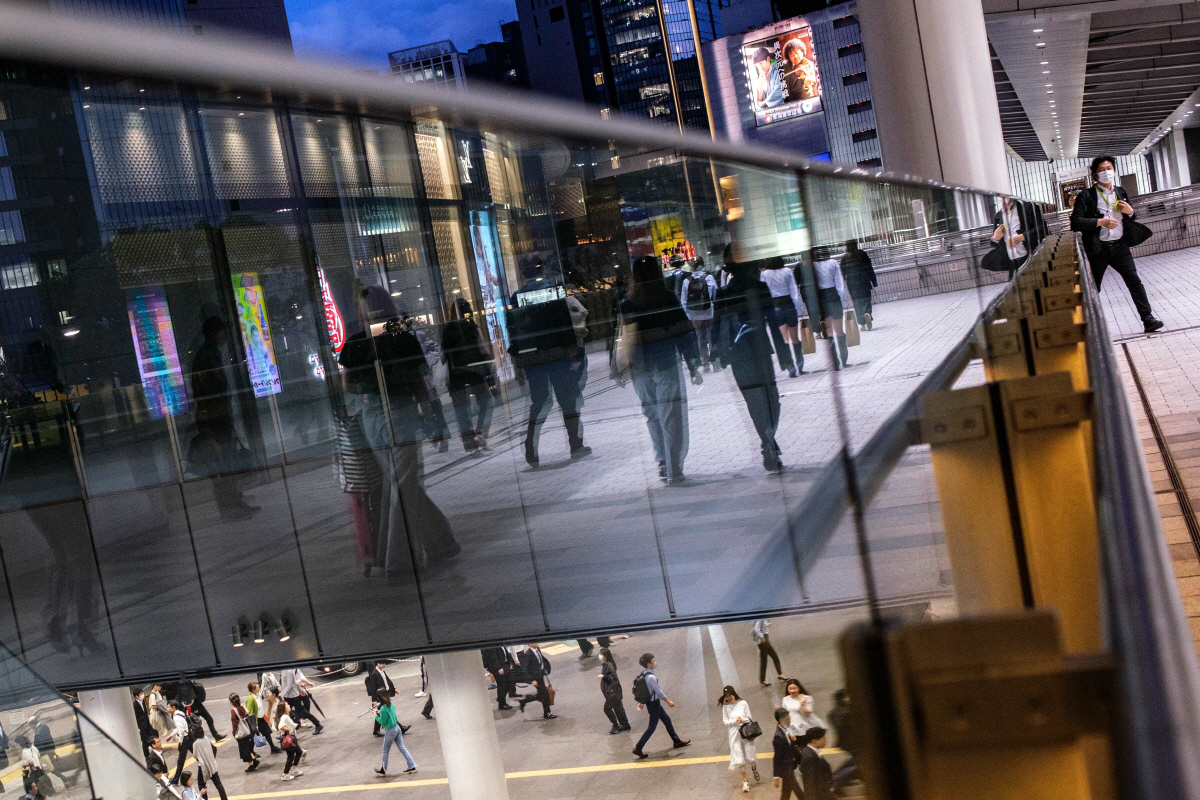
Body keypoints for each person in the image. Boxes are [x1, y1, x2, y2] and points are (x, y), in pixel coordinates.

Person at [339, 286, 460, 576]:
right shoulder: (403, 339)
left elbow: (347, 385)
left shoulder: (356, 343)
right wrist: (431, 417)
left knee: (401, 485)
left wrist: (370, 379)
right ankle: (398, 562)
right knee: (403, 488)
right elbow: (420, 383)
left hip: (371, 417)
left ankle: (440, 541)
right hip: (401, 413)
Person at [617, 255, 703, 485]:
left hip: (640, 368)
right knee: (670, 415)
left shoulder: (627, 302)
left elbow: (622, 338)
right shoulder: (666, 298)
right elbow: (684, 330)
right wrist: (692, 363)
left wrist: (620, 368)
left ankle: (662, 461)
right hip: (665, 364)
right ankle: (674, 464)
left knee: (652, 415)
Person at [1071, 155, 1163, 333]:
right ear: (1095, 175)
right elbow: (1076, 222)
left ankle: (1148, 319)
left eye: (1109, 168)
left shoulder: (1120, 191)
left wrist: (1131, 211)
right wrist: (1100, 222)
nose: (1106, 172)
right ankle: (1087, 326)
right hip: (1098, 249)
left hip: (1120, 246)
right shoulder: (1086, 196)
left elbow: (1130, 217)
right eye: (1102, 170)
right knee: (1092, 288)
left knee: (1134, 281)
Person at [712, 259, 784, 473]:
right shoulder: (732, 292)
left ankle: (767, 441)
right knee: (772, 400)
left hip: (741, 355)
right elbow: (772, 321)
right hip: (755, 351)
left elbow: (716, 326)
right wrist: (784, 354)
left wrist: (715, 354)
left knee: (756, 402)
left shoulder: (751, 289)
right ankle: (768, 441)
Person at [189, 316, 257, 520]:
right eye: (224, 330)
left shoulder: (210, 355)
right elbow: (207, 393)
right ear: (216, 333)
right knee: (223, 462)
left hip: (217, 417)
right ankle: (229, 506)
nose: (227, 334)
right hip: (214, 418)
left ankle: (234, 501)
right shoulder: (208, 357)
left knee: (227, 460)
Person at [441, 298, 496, 454]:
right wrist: (490, 368)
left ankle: (470, 445)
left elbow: (443, 357)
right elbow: (482, 349)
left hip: (456, 375)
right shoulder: (473, 327)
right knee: (486, 401)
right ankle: (480, 433)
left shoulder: (446, 330)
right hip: (475, 371)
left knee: (461, 409)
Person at [631, 652, 689, 758]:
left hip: (651, 703)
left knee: (667, 720)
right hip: (654, 704)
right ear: (649, 664)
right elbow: (658, 692)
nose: (655, 662)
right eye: (653, 661)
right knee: (652, 727)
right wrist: (668, 701)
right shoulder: (651, 677)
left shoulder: (643, 674)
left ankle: (676, 741)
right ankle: (638, 747)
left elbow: (644, 690)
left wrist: (641, 702)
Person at [761, 256, 806, 377]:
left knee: (784, 339)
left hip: (774, 306)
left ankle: (790, 367)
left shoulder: (764, 274)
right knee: (795, 338)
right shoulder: (787, 271)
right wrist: (798, 308)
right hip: (788, 303)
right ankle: (800, 365)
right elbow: (794, 291)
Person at [812, 247, 852, 370]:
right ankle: (844, 358)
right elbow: (839, 283)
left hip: (821, 297)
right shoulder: (833, 263)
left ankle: (834, 362)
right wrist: (843, 300)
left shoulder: (812, 266)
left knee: (828, 333)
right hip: (833, 295)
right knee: (839, 331)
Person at [990, 196, 1047, 276]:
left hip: (1030, 258)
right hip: (1012, 264)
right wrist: (995, 238)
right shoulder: (998, 216)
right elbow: (995, 245)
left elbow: (1043, 228)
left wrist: (1023, 237)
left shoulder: (1028, 207)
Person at [719, 685, 759, 792]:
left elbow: (750, 718)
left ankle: (754, 766)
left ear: (734, 693)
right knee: (739, 760)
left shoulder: (743, 703)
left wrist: (742, 719)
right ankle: (745, 782)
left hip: (745, 732)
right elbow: (725, 721)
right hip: (734, 735)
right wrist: (734, 721)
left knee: (750, 757)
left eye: (729, 695)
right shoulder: (725, 706)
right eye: (726, 696)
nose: (728, 698)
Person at [680, 264, 719, 371]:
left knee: (700, 338)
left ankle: (705, 364)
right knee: (711, 337)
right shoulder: (709, 277)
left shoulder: (686, 280)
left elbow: (683, 300)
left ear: (692, 268)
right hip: (709, 312)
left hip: (694, 314)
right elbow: (715, 293)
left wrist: (688, 314)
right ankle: (715, 364)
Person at [372, 692, 417, 776]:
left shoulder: (383, 708)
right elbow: (389, 715)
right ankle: (412, 765)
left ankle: (383, 769)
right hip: (397, 728)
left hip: (390, 731)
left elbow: (382, 721)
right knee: (402, 748)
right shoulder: (391, 703)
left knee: (385, 750)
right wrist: (379, 713)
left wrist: (376, 715)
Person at [840, 240, 877, 331]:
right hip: (864, 280)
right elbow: (869, 268)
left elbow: (842, 273)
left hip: (852, 283)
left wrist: (842, 285)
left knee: (857, 302)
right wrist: (874, 281)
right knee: (866, 299)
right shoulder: (863, 254)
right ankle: (867, 313)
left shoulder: (845, 258)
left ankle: (862, 324)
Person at [364, 661, 409, 736]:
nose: (384, 664)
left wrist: (393, 689)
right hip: (380, 696)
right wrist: (374, 700)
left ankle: (376, 730)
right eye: (382, 663)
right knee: (387, 710)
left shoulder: (382, 671)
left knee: (381, 712)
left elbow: (387, 681)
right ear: (378, 664)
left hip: (384, 694)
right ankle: (401, 728)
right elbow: (373, 688)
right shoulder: (374, 674)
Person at [827, 690, 859, 792]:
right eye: (847, 697)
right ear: (842, 699)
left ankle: (835, 775)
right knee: (858, 764)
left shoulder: (832, 713)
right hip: (852, 743)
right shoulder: (846, 713)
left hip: (843, 743)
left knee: (854, 760)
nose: (849, 699)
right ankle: (838, 781)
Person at [279, 668, 323, 735]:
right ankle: (287, 732)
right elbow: (294, 682)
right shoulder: (285, 670)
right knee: (288, 713)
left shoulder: (289, 671)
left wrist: (282, 694)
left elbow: (290, 685)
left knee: (301, 711)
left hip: (292, 696)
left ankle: (317, 725)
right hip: (289, 696)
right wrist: (300, 689)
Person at [518, 643, 556, 719]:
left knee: (541, 694)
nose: (537, 643)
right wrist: (532, 680)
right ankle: (547, 713)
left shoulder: (537, 649)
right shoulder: (528, 654)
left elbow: (541, 660)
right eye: (534, 642)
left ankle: (524, 701)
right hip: (535, 678)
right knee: (545, 694)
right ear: (530, 644)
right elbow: (525, 669)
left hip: (540, 675)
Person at [771, 708, 804, 799]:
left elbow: (790, 747)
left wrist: (792, 741)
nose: (789, 721)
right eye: (787, 719)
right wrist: (776, 777)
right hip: (786, 769)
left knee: (786, 793)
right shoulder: (778, 736)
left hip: (790, 767)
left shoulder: (785, 729)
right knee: (799, 793)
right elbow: (776, 757)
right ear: (781, 720)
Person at [598, 647, 630, 734]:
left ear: (605, 656)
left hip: (613, 692)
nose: (599, 656)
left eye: (600, 654)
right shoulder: (607, 664)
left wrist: (603, 677)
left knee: (607, 708)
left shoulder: (609, 665)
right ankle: (625, 724)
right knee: (618, 708)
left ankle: (615, 725)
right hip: (614, 691)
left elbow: (614, 678)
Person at [191, 726, 227, 800]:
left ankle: (204, 798)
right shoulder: (206, 738)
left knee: (201, 785)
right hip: (212, 764)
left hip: (203, 766)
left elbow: (194, 755)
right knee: (218, 784)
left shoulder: (196, 743)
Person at [245, 681, 281, 755]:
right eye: (257, 686)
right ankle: (251, 752)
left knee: (267, 733)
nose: (259, 686)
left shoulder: (257, 696)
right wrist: (255, 724)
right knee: (253, 736)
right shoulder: (251, 699)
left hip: (261, 719)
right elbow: (251, 712)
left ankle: (272, 747)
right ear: (253, 689)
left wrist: (266, 719)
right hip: (256, 720)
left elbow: (260, 709)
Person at [800, 727, 834, 800]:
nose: (825, 741)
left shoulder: (810, 751)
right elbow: (810, 783)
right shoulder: (810, 757)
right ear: (814, 741)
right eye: (823, 739)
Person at [228, 694, 259, 773]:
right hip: (248, 730)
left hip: (241, 732)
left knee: (244, 749)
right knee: (247, 748)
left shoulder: (233, 710)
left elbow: (235, 723)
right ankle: (254, 760)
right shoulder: (242, 707)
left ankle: (251, 764)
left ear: (231, 702)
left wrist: (234, 732)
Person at [274, 701, 305, 781]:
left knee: (299, 752)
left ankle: (294, 768)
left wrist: (298, 726)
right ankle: (285, 774)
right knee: (290, 757)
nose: (289, 706)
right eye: (287, 705)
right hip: (289, 740)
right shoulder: (284, 717)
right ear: (284, 708)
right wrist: (288, 731)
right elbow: (281, 726)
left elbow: (290, 725)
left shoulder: (286, 716)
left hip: (291, 739)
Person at [752, 619, 785, 686]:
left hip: (765, 639)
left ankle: (779, 674)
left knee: (774, 657)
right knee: (765, 660)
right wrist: (762, 637)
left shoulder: (763, 618)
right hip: (763, 642)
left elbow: (764, 625)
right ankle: (763, 680)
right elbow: (756, 629)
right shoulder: (760, 619)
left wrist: (767, 623)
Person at [133, 688, 156, 755]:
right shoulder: (135, 705)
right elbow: (136, 717)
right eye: (140, 694)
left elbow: (145, 712)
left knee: (152, 736)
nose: (142, 695)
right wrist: (138, 727)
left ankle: (155, 750)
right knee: (145, 741)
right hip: (141, 726)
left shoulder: (143, 701)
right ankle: (147, 755)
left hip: (147, 723)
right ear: (136, 696)